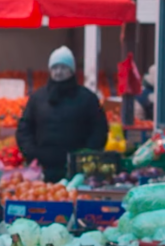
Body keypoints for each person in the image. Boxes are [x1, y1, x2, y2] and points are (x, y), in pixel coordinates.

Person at [16, 46, 108, 182]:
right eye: (54, 68)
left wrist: (85, 155)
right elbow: (24, 128)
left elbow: (99, 129)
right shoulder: (37, 98)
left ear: (72, 71)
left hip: (76, 173)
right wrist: (32, 153)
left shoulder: (87, 98)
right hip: (42, 170)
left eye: (63, 67)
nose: (58, 72)